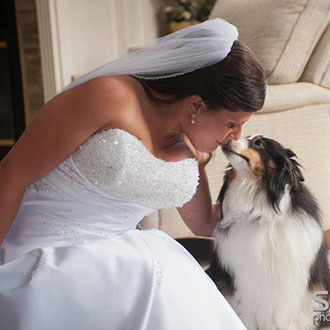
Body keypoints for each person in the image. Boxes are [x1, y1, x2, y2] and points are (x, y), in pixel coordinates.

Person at [0, 18, 265, 329]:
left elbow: (205, 221)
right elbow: (13, 172)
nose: (236, 137)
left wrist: (273, 211)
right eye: (232, 124)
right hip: (46, 249)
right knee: (150, 263)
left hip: (115, 261)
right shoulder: (108, 95)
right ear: (197, 104)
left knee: (159, 264)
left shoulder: (188, 144)